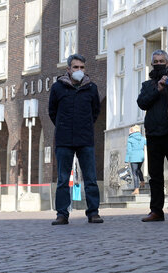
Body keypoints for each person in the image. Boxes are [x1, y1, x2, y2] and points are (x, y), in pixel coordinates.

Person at [48, 54, 103, 225]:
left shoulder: (91, 88)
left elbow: (95, 111)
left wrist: (85, 125)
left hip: (85, 139)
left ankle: (93, 212)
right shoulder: (58, 88)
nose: (79, 70)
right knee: (63, 180)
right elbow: (52, 112)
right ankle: (62, 214)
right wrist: (63, 125)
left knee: (91, 178)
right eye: (75, 67)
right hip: (64, 140)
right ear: (68, 69)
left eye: (82, 67)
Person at [136, 49, 168, 222]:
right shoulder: (147, 85)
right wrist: (157, 89)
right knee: (155, 176)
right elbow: (142, 103)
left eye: (161, 61)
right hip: (153, 135)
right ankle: (156, 211)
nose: (158, 64)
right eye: (155, 61)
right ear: (152, 64)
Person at [125, 125, 146, 195]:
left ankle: (136, 189)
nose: (129, 131)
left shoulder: (130, 139)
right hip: (141, 157)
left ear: (133, 131)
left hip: (134, 157)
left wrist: (126, 160)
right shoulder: (143, 138)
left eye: (130, 130)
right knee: (138, 169)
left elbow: (129, 150)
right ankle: (142, 181)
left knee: (135, 173)